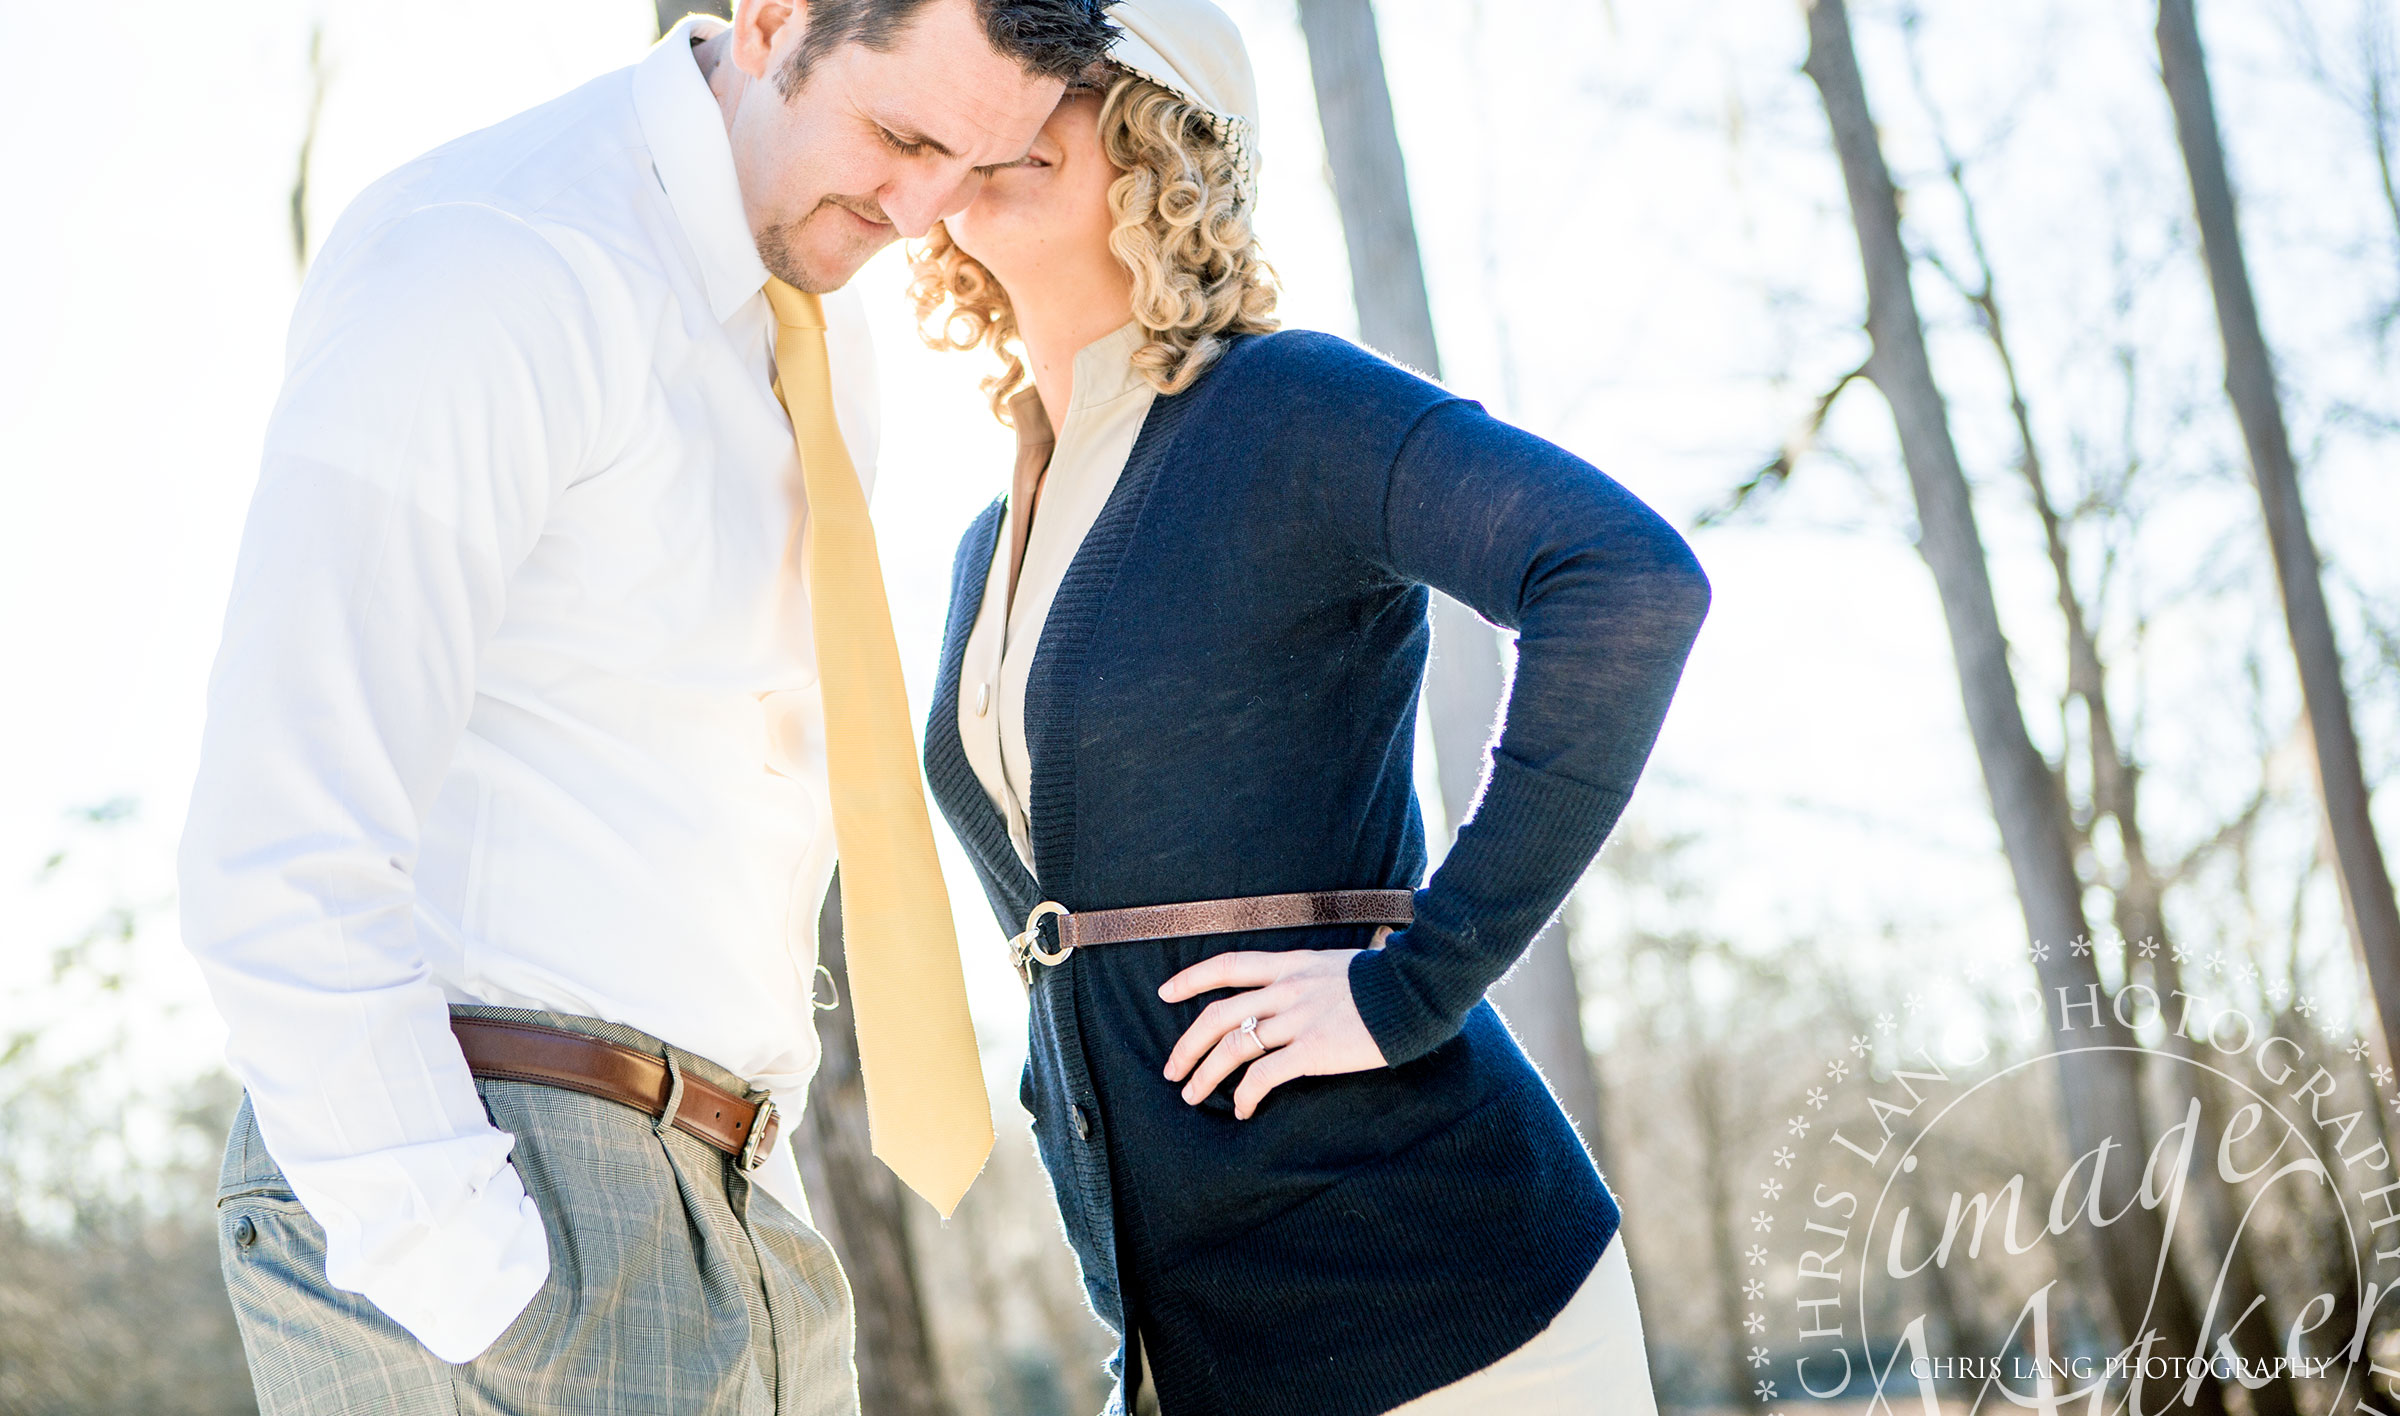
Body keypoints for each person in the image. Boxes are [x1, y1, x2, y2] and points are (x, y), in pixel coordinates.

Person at [175, 3, 1118, 1413]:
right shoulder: (500, 256)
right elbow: (277, 843)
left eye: (970, 167)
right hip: (496, 1184)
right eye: (901, 135)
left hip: (723, 1196)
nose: (923, 214)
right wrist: (485, 1288)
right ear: (772, 22)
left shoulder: (816, 333)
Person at [910, 2, 1711, 1412]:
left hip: (1445, 1302)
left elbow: (1627, 581)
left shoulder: (1289, 408)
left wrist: (1414, 985)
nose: (1010, 108)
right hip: (1190, 1344)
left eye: (1065, 78)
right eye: (990, 74)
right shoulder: (990, 540)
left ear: (1168, 132)